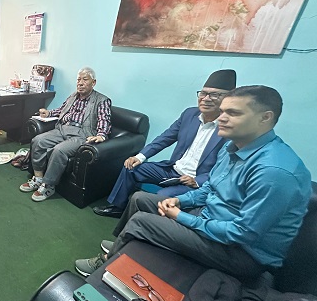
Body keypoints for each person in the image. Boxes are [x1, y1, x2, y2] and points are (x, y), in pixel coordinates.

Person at [75, 86, 311, 278]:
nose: (222, 118)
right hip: (211, 218)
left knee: (142, 221)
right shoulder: (232, 147)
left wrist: (181, 216)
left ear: (265, 118)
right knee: (140, 199)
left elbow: (242, 233)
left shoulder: (275, 171)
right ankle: (121, 244)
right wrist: (180, 201)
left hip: (242, 253)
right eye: (223, 111)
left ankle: (107, 263)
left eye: (233, 113)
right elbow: (209, 188)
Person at [94, 70, 236, 218]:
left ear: (228, 98)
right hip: (172, 170)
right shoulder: (190, 114)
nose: (206, 99)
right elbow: (165, 138)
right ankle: (118, 207)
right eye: (203, 93)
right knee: (131, 167)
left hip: (195, 181)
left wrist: (198, 181)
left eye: (214, 95)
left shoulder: (229, 128)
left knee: (162, 196)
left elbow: (227, 169)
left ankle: (143, 221)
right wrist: (140, 157)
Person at [20, 67, 111, 202]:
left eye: (85, 80)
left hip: (81, 134)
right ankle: (38, 178)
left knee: (59, 151)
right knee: (38, 140)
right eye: (78, 80)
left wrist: (101, 135)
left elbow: (104, 120)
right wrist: (49, 113)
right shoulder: (73, 96)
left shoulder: (102, 100)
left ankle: (48, 185)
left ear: (94, 82)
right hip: (62, 129)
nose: (80, 83)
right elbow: (62, 110)